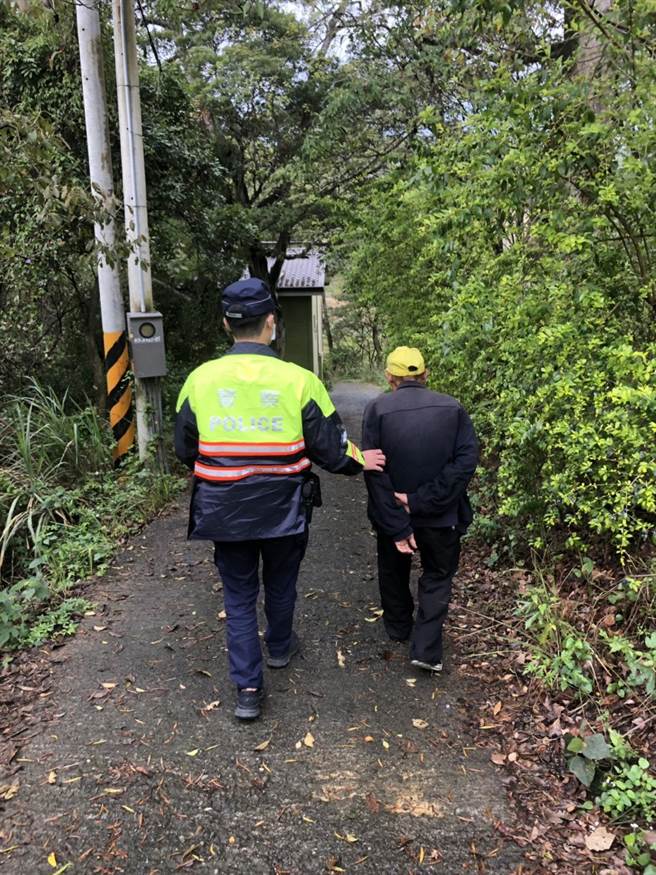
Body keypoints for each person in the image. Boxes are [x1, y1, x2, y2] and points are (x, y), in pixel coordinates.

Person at [175, 277, 385, 720]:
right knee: (281, 582)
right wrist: (360, 460)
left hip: (224, 507)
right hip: (284, 506)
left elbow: (184, 449)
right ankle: (280, 647)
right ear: (271, 322)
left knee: (237, 594)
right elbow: (330, 448)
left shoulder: (199, 380)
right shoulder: (300, 380)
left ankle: (248, 690)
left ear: (226, 324)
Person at [361, 346, 478, 673]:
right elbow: (466, 462)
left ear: (389, 377)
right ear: (425, 375)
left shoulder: (377, 409)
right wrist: (424, 498)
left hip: (393, 516)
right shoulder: (453, 408)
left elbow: (374, 472)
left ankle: (399, 629)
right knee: (438, 574)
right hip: (443, 516)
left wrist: (398, 521)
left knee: (393, 569)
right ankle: (426, 648)